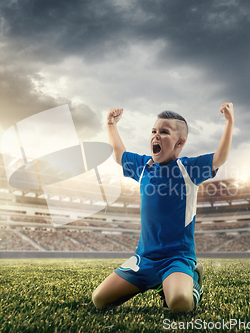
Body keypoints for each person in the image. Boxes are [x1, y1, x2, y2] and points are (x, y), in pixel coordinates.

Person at [92, 103, 234, 313]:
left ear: (180, 142)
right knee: (100, 300)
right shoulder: (144, 166)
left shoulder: (189, 168)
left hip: (177, 258)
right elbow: (119, 155)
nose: (156, 136)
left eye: (164, 132)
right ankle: (156, 282)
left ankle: (192, 277)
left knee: (179, 304)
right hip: (143, 258)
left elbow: (219, 158)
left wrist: (230, 122)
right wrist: (110, 125)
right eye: (154, 131)